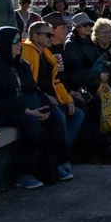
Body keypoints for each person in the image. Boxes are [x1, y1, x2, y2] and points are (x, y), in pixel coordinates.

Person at [0, 27, 73, 187]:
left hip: (18, 107)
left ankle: (53, 166)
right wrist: (30, 112)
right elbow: (1, 98)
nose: (18, 45)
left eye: (19, 40)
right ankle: (24, 173)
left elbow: (32, 89)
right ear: (4, 43)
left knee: (54, 116)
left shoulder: (21, 64)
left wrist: (44, 104)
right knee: (30, 123)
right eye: (14, 41)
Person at [22, 21, 86, 152]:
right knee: (59, 116)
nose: (52, 37)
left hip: (52, 98)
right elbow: (27, 84)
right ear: (35, 36)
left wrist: (68, 100)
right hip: (37, 100)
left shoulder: (46, 53)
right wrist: (45, 96)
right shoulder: (26, 52)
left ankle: (61, 155)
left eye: (52, 34)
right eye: (48, 35)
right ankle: (59, 160)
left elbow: (55, 81)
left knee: (77, 113)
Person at [62, 13, 111, 155]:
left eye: (90, 24)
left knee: (106, 97)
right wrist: (97, 75)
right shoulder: (71, 45)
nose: (88, 27)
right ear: (77, 27)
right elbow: (75, 70)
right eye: (84, 25)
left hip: (91, 82)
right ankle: (91, 145)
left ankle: (104, 138)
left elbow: (97, 59)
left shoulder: (89, 41)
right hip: (77, 85)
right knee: (92, 105)